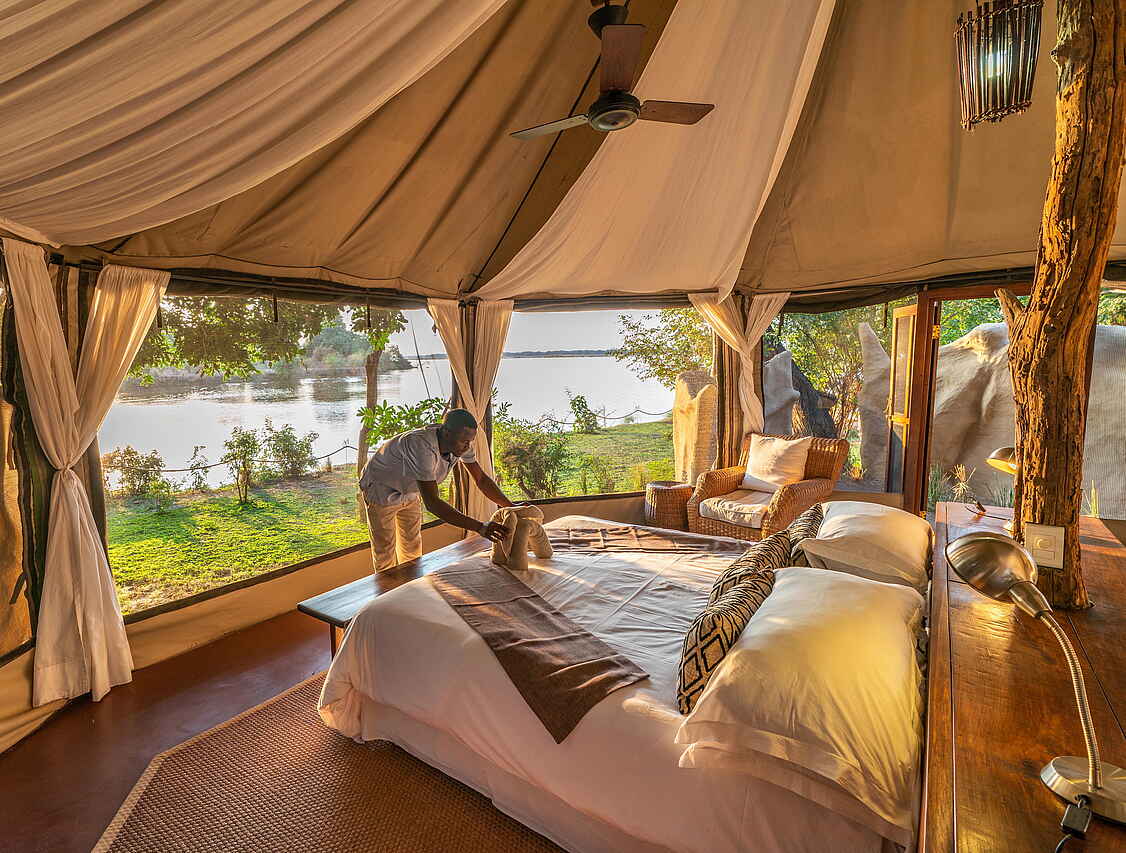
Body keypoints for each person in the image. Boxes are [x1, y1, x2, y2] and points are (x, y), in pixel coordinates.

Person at [359, 408, 516, 572]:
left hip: (410, 490)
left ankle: (411, 584)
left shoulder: (461, 443)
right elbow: (433, 503)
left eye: (470, 441)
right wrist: (481, 527)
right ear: (446, 433)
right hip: (381, 488)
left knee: (412, 546)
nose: (467, 446)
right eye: (464, 441)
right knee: (385, 550)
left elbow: (481, 479)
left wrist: (510, 506)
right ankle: (387, 587)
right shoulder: (421, 446)